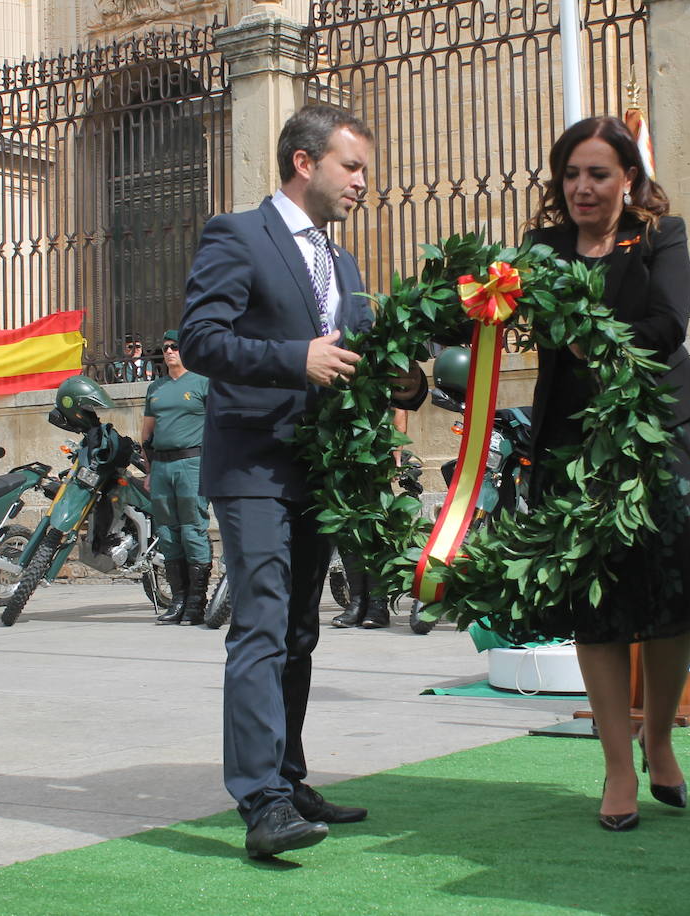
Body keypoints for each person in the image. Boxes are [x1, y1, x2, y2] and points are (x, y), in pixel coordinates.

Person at [180, 104, 426, 859]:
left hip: (318, 467)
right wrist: (295, 359)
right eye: (352, 167)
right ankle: (260, 802)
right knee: (259, 620)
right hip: (253, 461)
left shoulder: (342, 261)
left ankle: (289, 777)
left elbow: (343, 354)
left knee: (300, 628)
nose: (362, 183)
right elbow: (199, 339)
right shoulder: (238, 234)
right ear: (303, 162)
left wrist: (402, 382)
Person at [524, 117, 690, 831]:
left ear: (628, 178)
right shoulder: (540, 249)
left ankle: (659, 736)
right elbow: (500, 317)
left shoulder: (661, 235)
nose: (583, 188)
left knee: (670, 592)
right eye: (571, 174)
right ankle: (618, 766)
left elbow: (666, 325)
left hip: (659, 433)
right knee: (595, 607)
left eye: (598, 173)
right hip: (572, 439)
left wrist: (587, 331)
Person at [143, 329, 213, 626]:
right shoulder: (155, 388)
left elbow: (217, 429)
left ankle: (197, 602)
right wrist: (149, 471)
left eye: (175, 347)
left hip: (192, 463)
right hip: (162, 466)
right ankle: (179, 600)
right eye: (166, 347)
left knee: (193, 529)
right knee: (167, 532)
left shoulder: (203, 382)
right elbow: (146, 434)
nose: (169, 351)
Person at [331, 410, 407, 630]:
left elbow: (398, 406)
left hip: (375, 450)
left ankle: (377, 604)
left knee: (377, 526)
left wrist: (396, 451)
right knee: (346, 526)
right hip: (340, 451)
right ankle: (357, 601)